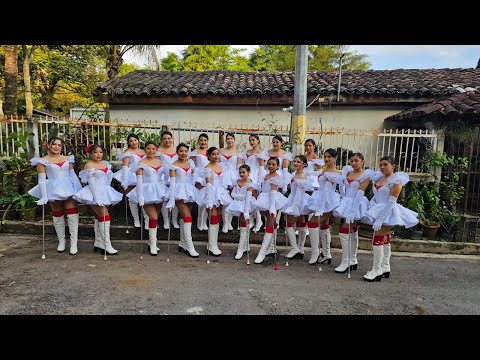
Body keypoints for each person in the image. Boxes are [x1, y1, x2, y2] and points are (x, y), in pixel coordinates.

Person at [362, 156, 419, 282]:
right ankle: (385, 266)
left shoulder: (397, 180)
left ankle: (376, 269)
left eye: (385, 164)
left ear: (393, 165)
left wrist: (380, 219)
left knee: (378, 235)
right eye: (381, 164)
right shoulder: (378, 177)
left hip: (389, 210)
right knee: (384, 236)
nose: (382, 167)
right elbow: (376, 196)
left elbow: (391, 202)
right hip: (377, 208)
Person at [28, 137, 83, 255]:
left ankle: (74, 243)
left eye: (59, 145)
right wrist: (44, 196)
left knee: (72, 212)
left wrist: (79, 190)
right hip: (53, 188)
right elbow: (42, 180)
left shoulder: (67, 159)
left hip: (68, 187)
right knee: (57, 213)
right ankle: (61, 241)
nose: (57, 147)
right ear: (48, 145)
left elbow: (73, 175)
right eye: (54, 144)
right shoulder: (42, 161)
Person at [73, 144, 123, 255]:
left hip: (106, 191)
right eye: (95, 152)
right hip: (94, 192)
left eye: (100, 152)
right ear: (90, 154)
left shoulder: (106, 164)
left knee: (99, 216)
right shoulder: (89, 165)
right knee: (105, 216)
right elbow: (91, 183)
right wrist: (97, 197)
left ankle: (99, 242)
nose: (98, 154)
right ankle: (107, 244)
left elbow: (109, 179)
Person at [332, 152, 373, 273]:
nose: (353, 163)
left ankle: (346, 261)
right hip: (346, 201)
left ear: (363, 161)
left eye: (356, 161)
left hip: (357, 203)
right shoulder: (348, 172)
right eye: (352, 161)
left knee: (345, 229)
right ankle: (352, 259)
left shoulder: (365, 175)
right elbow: (343, 188)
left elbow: (360, 193)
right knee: (352, 229)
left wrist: (353, 211)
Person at [127, 141, 169, 256]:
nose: (151, 151)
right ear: (145, 150)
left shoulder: (161, 162)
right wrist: (140, 196)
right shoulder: (141, 163)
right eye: (149, 149)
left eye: (153, 149)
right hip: (146, 191)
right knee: (153, 217)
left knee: (155, 218)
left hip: (159, 191)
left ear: (156, 150)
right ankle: (153, 244)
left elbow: (166, 177)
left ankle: (152, 243)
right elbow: (139, 181)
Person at [307, 148, 343, 265]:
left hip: (328, 200)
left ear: (335, 158)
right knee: (324, 225)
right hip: (320, 197)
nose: (327, 159)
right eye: (325, 156)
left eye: (329, 157)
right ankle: (326, 254)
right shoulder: (325, 169)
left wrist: (322, 208)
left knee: (313, 222)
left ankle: (315, 253)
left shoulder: (335, 173)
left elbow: (328, 190)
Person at [195, 146, 232, 256]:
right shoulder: (207, 168)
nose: (216, 156)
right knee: (213, 217)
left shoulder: (221, 167)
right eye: (213, 154)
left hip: (220, 193)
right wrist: (210, 199)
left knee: (218, 217)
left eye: (217, 154)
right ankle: (211, 245)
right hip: (210, 193)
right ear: (209, 156)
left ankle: (213, 244)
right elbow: (209, 184)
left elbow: (223, 182)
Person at [165, 143, 199, 258]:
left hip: (189, 190)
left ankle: (182, 243)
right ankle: (190, 246)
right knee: (188, 217)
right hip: (179, 191)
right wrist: (171, 197)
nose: (183, 153)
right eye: (181, 151)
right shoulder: (173, 165)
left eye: (185, 151)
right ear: (177, 152)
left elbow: (193, 178)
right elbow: (173, 182)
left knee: (184, 217)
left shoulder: (191, 164)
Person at [253, 157, 288, 264]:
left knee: (269, 223)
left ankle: (262, 252)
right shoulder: (266, 175)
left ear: (278, 166)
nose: (271, 166)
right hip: (264, 199)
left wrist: (272, 207)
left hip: (272, 200)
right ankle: (272, 247)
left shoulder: (276, 177)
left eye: (273, 164)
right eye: (269, 164)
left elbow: (273, 192)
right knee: (271, 222)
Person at [282, 155, 313, 260]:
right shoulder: (295, 174)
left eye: (298, 162)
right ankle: (300, 249)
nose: (295, 163)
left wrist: (292, 207)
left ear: (304, 164)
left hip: (298, 201)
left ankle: (295, 248)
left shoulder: (301, 176)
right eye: (294, 161)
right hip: (294, 199)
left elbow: (299, 194)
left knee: (288, 224)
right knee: (301, 224)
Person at [112, 134, 146, 229]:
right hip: (132, 175)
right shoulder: (128, 152)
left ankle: (146, 218)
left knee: (143, 196)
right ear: (128, 143)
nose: (133, 142)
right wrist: (125, 179)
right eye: (131, 141)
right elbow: (125, 166)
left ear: (138, 141)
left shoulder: (144, 151)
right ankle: (136, 219)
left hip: (143, 174)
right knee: (132, 197)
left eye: (135, 140)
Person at [225, 164, 258, 260]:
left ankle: (240, 248)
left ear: (249, 173)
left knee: (244, 223)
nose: (241, 174)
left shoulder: (250, 183)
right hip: (238, 203)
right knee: (242, 223)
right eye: (240, 172)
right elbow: (233, 193)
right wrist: (238, 196)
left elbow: (248, 196)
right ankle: (245, 246)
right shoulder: (237, 181)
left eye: (244, 172)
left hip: (246, 204)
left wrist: (246, 209)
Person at [238, 134, 266, 233]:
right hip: (246, 175)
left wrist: (259, 181)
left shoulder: (261, 153)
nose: (251, 142)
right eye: (250, 140)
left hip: (255, 175)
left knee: (254, 198)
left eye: (253, 140)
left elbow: (261, 168)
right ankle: (251, 220)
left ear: (258, 140)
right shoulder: (246, 152)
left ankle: (259, 221)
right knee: (247, 198)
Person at [156, 130, 180, 230]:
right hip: (163, 176)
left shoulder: (177, 149)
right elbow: (156, 163)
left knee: (175, 197)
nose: (167, 140)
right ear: (162, 140)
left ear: (172, 139)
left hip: (176, 175)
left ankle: (174, 220)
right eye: (165, 138)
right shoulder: (158, 150)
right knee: (164, 198)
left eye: (169, 138)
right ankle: (166, 220)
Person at [219, 132, 240, 233]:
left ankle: (229, 222)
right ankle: (225, 222)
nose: (230, 140)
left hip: (233, 177)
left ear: (234, 140)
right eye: (228, 139)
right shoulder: (220, 151)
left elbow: (239, 167)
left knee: (231, 198)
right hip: (223, 176)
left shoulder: (238, 152)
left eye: (231, 139)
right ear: (225, 140)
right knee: (224, 198)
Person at [189, 133, 210, 231]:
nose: (203, 142)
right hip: (199, 175)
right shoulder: (195, 152)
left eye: (205, 140)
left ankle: (204, 221)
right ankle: (199, 221)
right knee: (200, 198)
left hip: (208, 174)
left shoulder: (211, 151)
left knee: (207, 197)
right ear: (198, 141)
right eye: (201, 140)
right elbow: (192, 165)